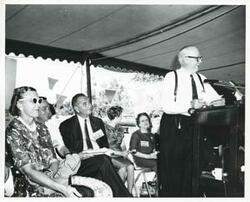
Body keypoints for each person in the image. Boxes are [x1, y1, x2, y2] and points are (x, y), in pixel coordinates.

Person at [159, 45, 224, 197]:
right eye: (197, 59)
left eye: (200, 58)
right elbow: (166, 106)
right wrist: (189, 105)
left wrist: (218, 102)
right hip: (174, 125)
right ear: (183, 59)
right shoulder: (171, 77)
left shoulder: (202, 79)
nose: (200, 62)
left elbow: (214, 99)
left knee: (193, 168)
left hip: (195, 126)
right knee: (174, 170)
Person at [5, 86, 88, 197]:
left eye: (38, 100)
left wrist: (50, 175)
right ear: (20, 105)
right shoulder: (13, 130)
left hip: (49, 180)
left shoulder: (42, 128)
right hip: (29, 188)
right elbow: (28, 171)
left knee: (87, 189)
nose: (38, 104)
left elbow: (53, 161)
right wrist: (61, 188)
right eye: (33, 101)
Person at [59, 93, 131, 197]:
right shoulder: (66, 125)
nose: (89, 105)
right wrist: (79, 155)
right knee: (103, 161)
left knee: (108, 162)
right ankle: (124, 197)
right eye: (85, 104)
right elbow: (69, 149)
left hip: (101, 158)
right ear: (76, 108)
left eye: (89, 102)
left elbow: (104, 145)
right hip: (81, 162)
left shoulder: (98, 122)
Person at [105, 106, 134, 194]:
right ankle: (119, 194)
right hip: (109, 154)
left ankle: (129, 193)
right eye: (121, 115)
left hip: (120, 154)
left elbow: (122, 144)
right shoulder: (104, 128)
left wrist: (126, 152)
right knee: (123, 168)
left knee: (131, 166)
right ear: (116, 116)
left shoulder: (120, 129)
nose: (122, 117)